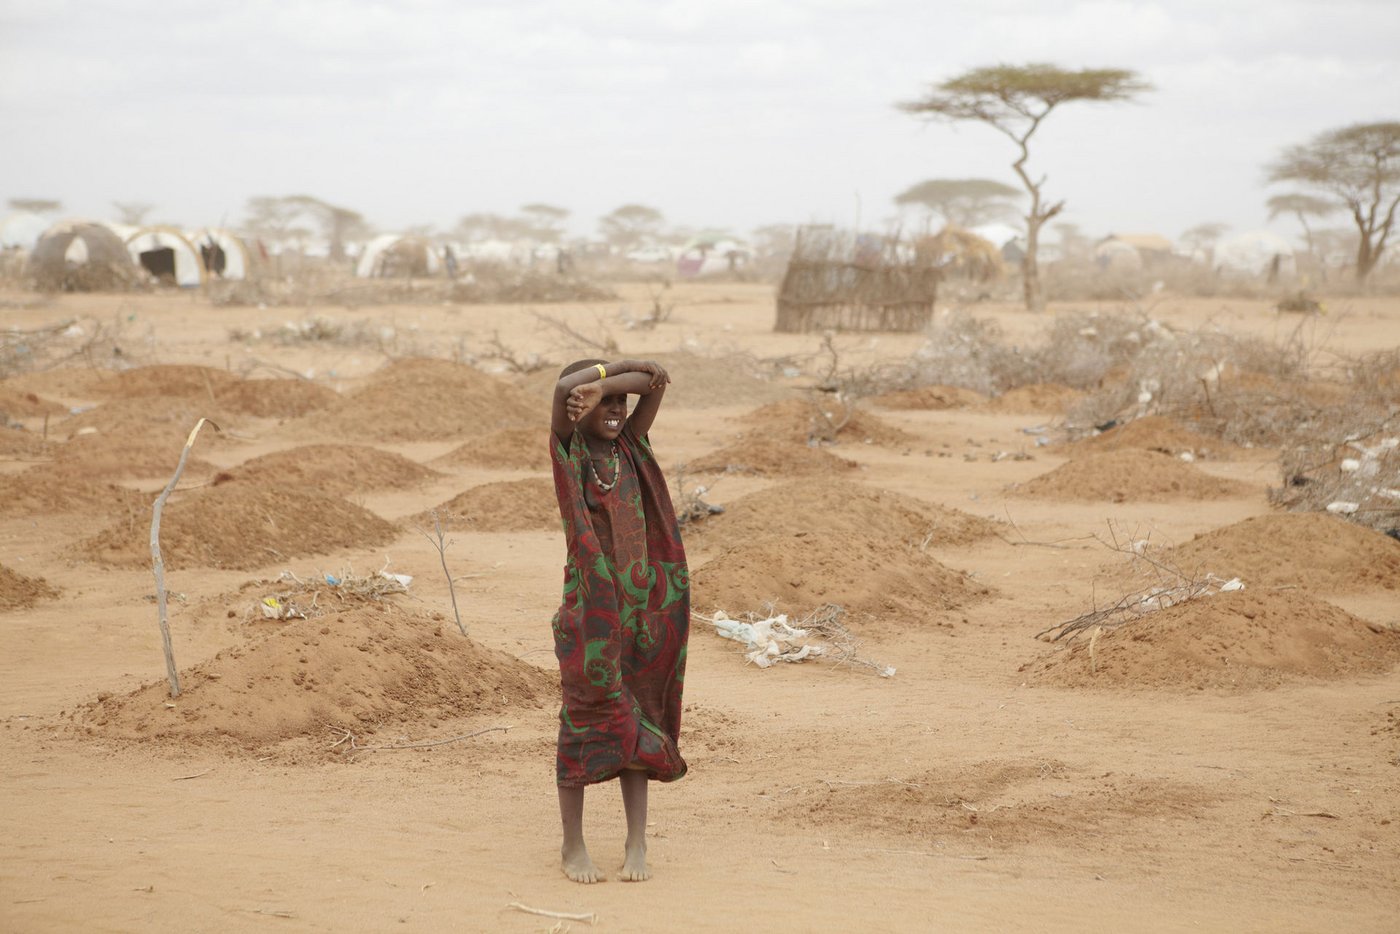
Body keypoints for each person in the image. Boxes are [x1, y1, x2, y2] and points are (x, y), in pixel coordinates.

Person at [549, 357, 689, 883]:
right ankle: (572, 847)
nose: (614, 410)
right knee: (585, 717)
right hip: (591, 618)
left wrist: (616, 375)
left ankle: (637, 844)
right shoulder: (570, 450)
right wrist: (593, 383)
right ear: (576, 408)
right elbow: (565, 386)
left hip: (645, 616)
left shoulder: (631, 445)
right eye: (602, 402)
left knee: (642, 720)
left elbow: (656, 382)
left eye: (619, 403)